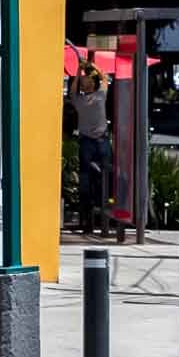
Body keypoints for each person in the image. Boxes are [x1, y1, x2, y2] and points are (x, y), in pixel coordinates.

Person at [69, 61, 111, 233]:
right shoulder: (79, 99)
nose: (85, 83)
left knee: (104, 179)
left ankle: (102, 218)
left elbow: (104, 79)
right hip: (87, 141)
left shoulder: (101, 95)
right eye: (83, 82)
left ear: (93, 84)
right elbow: (72, 90)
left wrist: (94, 67)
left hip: (101, 140)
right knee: (86, 181)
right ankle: (87, 221)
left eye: (88, 81)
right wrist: (78, 72)